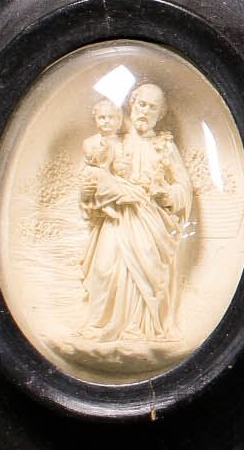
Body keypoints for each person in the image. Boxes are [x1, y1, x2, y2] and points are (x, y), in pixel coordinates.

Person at [75, 83, 192, 342]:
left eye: (153, 107)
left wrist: (167, 194)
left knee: (146, 270)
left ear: (160, 114)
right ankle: (99, 326)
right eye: (142, 104)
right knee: (104, 270)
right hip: (117, 219)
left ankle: (137, 330)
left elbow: (183, 187)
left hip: (150, 222)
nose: (145, 111)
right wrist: (89, 191)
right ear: (132, 104)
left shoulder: (165, 146)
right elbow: (94, 176)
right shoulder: (116, 141)